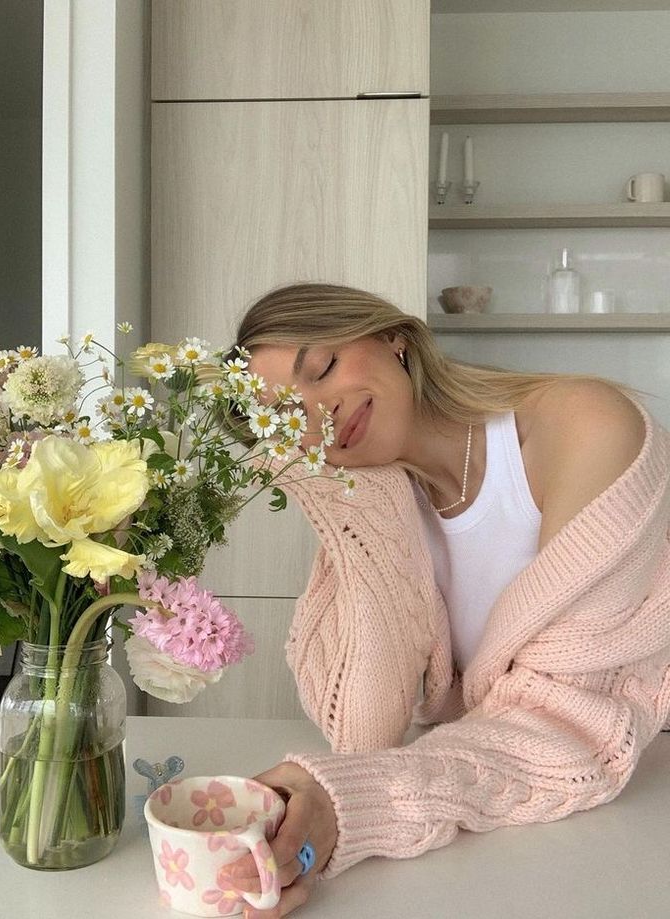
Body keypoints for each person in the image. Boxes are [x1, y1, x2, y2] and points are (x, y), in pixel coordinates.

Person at [218, 282, 670, 919]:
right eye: (288, 419)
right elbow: (361, 734)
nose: (320, 415)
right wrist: (345, 502)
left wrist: (347, 801)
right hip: (500, 813)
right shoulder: (376, 501)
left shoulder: (579, 423)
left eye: (320, 369)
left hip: (636, 795)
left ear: (392, 336)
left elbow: (567, 721)